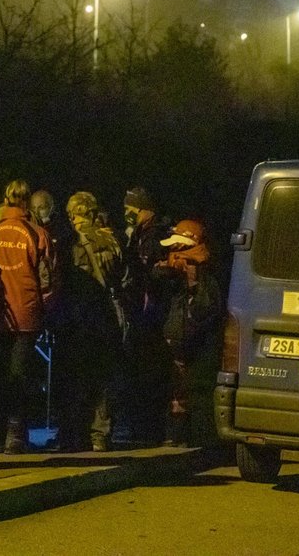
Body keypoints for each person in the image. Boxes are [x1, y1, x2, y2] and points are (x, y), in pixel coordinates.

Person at [0, 179, 55, 454]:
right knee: (19, 376)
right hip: (25, 313)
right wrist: (44, 310)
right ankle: (15, 436)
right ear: (26, 203)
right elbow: (47, 281)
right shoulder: (36, 233)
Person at [55, 191, 123, 453]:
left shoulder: (67, 242)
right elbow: (123, 275)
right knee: (103, 378)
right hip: (105, 315)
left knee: (72, 376)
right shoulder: (112, 239)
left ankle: (71, 435)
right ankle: (100, 435)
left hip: (74, 317)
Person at [154, 219, 222, 447]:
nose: (173, 253)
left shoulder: (205, 275)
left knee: (196, 393)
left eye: (178, 248)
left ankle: (199, 440)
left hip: (198, 348)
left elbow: (205, 311)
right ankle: (178, 435)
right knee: (177, 393)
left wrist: (193, 282)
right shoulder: (175, 276)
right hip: (179, 344)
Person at [120, 186, 172, 445]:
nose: (127, 213)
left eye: (132, 209)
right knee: (141, 372)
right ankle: (142, 428)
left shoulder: (155, 234)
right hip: (143, 312)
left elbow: (148, 272)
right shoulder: (141, 233)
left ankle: (149, 431)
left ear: (144, 210)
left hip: (152, 314)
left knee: (149, 373)